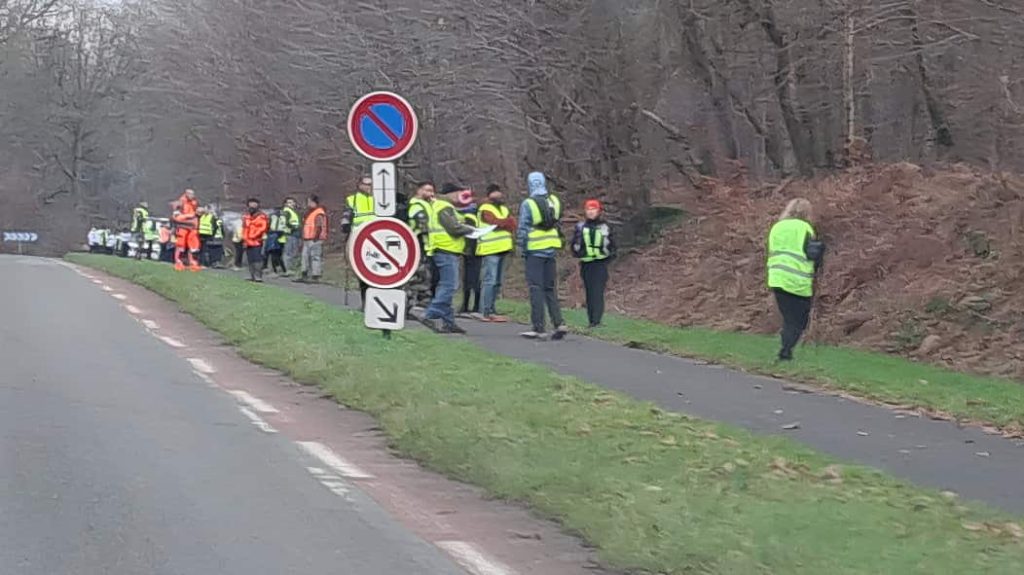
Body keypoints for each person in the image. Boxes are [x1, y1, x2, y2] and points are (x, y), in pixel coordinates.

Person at [767, 198, 825, 361]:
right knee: (799, 320)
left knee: (788, 318)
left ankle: (786, 349)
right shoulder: (805, 228)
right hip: (798, 281)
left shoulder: (777, 227)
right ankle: (785, 351)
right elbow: (812, 255)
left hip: (777, 278)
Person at [517, 172, 568, 340]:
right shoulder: (554, 201)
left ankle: (539, 327)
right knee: (550, 289)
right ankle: (559, 322)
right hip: (551, 249)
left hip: (534, 250)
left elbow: (523, 228)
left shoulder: (528, 204)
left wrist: (521, 247)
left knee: (535, 288)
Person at [421, 187, 476, 334]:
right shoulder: (444, 206)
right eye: (457, 193)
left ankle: (448, 322)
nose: (460, 196)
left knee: (446, 285)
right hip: (445, 250)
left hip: (443, 249)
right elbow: (454, 228)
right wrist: (472, 231)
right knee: (449, 286)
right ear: (449, 194)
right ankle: (430, 314)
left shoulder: (440, 206)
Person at [572, 199, 615, 328]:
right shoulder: (580, 227)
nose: (591, 212)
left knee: (598, 292)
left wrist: (608, 258)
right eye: (588, 209)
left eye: (593, 209)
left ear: (599, 211)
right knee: (589, 292)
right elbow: (574, 245)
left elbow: (613, 245)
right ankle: (591, 320)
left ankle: (597, 320)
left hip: (600, 264)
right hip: (586, 264)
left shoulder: (605, 227)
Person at [476, 184, 516, 322]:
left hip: (503, 248)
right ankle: (485, 310)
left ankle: (492, 309)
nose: (498, 195)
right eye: (495, 193)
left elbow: (512, 224)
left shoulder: (504, 208)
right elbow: (494, 222)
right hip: (489, 249)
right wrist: (504, 223)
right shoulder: (484, 208)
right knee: (490, 280)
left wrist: (503, 223)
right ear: (489, 195)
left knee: (497, 282)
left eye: (499, 192)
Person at [342, 175, 377, 302]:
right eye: (366, 184)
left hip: (376, 236)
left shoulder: (379, 199)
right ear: (360, 185)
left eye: (370, 184)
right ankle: (365, 299)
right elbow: (346, 214)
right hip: (358, 235)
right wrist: (345, 224)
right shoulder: (352, 199)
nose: (368, 187)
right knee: (361, 268)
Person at [450, 185, 481, 317]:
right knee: (469, 278)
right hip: (472, 248)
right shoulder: (473, 211)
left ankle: (474, 306)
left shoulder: (469, 214)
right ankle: (469, 305)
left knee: (472, 279)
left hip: (474, 248)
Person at [407, 181, 436, 308]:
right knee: (418, 274)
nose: (431, 193)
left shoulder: (427, 205)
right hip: (417, 242)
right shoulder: (417, 206)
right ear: (419, 191)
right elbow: (423, 226)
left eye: (432, 190)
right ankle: (413, 301)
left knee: (424, 274)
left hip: (425, 244)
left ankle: (421, 299)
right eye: (427, 190)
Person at [298, 194, 328, 283]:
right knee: (305, 257)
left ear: (313, 202)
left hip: (314, 239)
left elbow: (319, 226)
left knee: (315, 257)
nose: (308, 204)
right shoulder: (310, 212)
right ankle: (305, 274)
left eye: (309, 202)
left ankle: (315, 276)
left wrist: (316, 237)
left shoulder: (318, 212)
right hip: (308, 238)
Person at [172, 188, 201, 271]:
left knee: (193, 245)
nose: (192, 196)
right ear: (186, 194)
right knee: (180, 245)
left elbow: (195, 214)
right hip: (183, 227)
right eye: (191, 194)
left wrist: (198, 214)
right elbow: (176, 217)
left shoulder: (194, 203)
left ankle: (192, 262)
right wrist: (189, 217)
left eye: (193, 194)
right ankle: (179, 262)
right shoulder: (180, 203)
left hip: (192, 227)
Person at [242, 198, 270, 282]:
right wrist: (245, 239)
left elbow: (263, 228)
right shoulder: (246, 216)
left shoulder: (262, 216)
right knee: (250, 259)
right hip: (248, 241)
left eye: (254, 204)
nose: (252, 206)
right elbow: (244, 228)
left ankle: (258, 276)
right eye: (250, 204)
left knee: (257, 259)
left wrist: (253, 236)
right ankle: (251, 275)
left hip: (258, 241)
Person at [263, 206, 289, 276]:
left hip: (274, 236)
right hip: (280, 237)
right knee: (276, 255)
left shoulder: (273, 216)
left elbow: (267, 226)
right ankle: (283, 270)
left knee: (273, 254)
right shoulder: (283, 217)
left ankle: (275, 271)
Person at [281, 197, 302, 274]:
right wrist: (293, 227)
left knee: (294, 252)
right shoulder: (286, 211)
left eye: (292, 202)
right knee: (288, 252)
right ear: (285, 204)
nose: (291, 204)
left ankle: (291, 268)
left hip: (295, 234)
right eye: (289, 202)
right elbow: (284, 222)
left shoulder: (294, 211)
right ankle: (287, 269)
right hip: (290, 234)